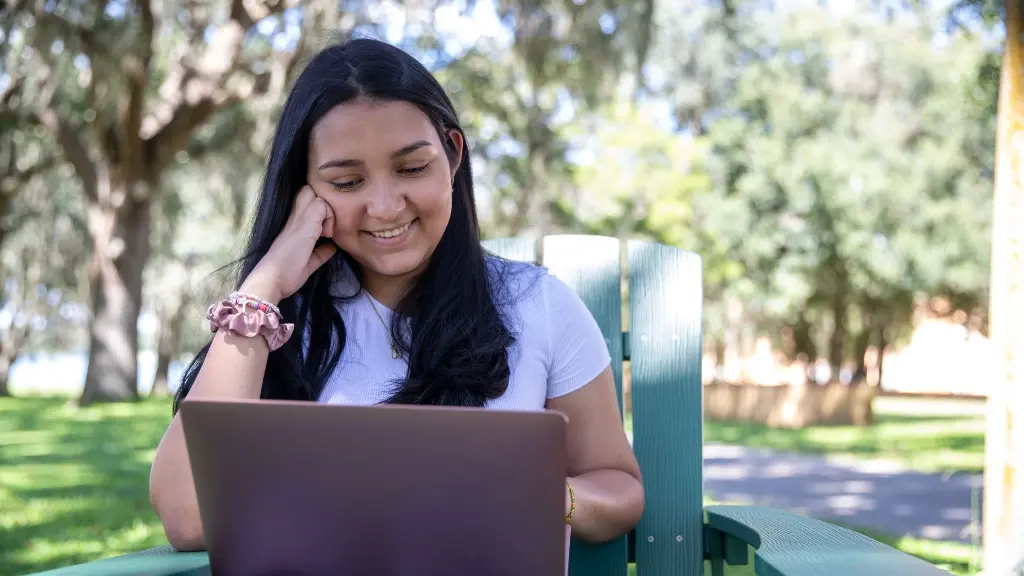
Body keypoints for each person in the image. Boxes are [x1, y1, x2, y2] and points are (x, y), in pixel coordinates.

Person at [149, 37, 644, 557]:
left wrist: (548, 495)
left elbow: (618, 486)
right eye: (346, 181)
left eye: (411, 169)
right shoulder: (277, 325)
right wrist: (264, 287)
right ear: (304, 189)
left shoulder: (537, 305)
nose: (384, 207)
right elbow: (187, 516)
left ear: (452, 155)